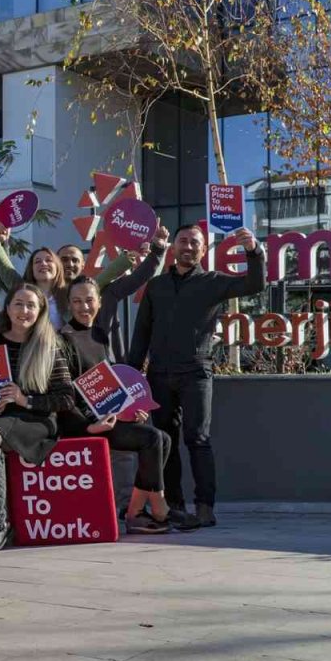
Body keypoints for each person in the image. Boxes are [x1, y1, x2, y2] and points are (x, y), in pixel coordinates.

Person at [128, 224, 265, 528]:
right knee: (165, 441)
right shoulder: (156, 286)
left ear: (204, 250)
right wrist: (129, 377)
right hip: (159, 374)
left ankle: (205, 506)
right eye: (183, 241)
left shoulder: (213, 282)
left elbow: (255, 284)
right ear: (174, 247)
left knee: (198, 439)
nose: (188, 247)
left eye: (195, 243)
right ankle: (174, 504)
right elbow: (141, 334)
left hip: (196, 372)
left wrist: (254, 251)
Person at [61, 256, 201, 534]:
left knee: (162, 437)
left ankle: (138, 509)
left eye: (89, 300)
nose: (84, 307)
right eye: (77, 301)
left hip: (110, 416)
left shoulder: (101, 336)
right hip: (83, 422)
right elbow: (67, 392)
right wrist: (91, 422)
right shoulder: (62, 339)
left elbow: (111, 384)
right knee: (151, 438)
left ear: (99, 303)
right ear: (69, 304)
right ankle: (155, 506)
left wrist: (129, 409)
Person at [0, 284, 76, 554]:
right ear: (7, 308)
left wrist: (25, 399)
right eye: (18, 304)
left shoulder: (50, 346)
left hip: (35, 419)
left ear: (40, 310)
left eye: (31, 305)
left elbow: (66, 398)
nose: (24, 310)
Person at [22, 247, 68, 330]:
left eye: (49, 260)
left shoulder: (68, 294)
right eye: (37, 261)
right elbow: (3, 265)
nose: (43, 263)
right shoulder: (22, 293)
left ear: (57, 266)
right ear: (31, 269)